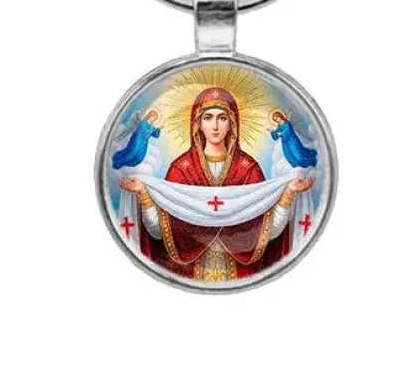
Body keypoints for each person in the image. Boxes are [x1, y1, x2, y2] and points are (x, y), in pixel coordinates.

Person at [119, 87, 314, 282]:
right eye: (207, 118)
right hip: (189, 276)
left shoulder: (247, 169)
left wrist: (289, 192)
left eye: (222, 118)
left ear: (231, 124)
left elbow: (268, 231)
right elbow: (159, 231)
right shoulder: (182, 169)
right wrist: (143, 193)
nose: (215, 126)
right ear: (197, 124)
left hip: (241, 277)